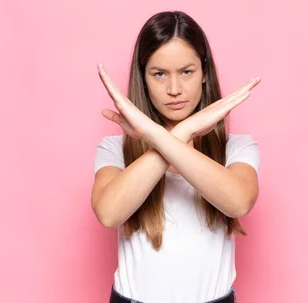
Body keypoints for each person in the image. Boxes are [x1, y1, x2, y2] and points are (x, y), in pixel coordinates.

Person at [91, 10, 261, 303]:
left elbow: (238, 202)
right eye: (159, 74)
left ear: (204, 73)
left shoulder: (237, 148)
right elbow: (108, 213)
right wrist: (186, 131)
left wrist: (158, 134)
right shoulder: (114, 149)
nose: (174, 89)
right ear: (143, 78)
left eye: (186, 72)